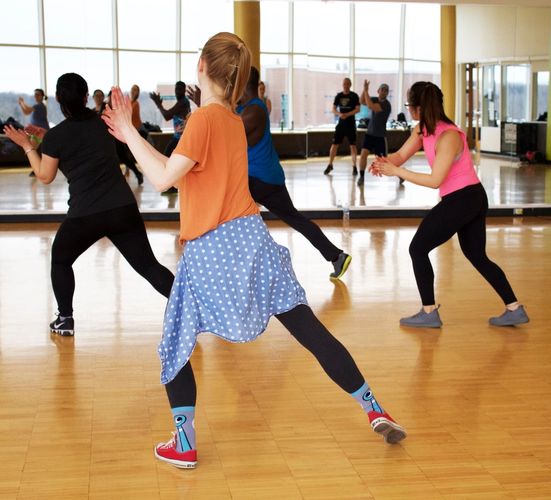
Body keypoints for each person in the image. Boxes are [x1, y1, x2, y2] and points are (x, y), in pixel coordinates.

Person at [103, 32, 406, 470]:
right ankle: (374, 407)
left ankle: (184, 443)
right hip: (252, 238)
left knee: (174, 344)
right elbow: (177, 169)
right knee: (309, 330)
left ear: (202, 66)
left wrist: (130, 131)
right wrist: (133, 134)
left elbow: (163, 179)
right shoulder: (229, 119)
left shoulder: (204, 120)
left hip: (211, 247)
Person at [3, 73, 174, 336]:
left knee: (60, 259)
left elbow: (45, 176)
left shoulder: (57, 137)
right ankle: (188, 309)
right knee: (148, 266)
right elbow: (84, 138)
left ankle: (65, 319)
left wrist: (28, 145)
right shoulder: (103, 122)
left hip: (86, 214)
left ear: (58, 99)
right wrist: (46, 138)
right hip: (122, 208)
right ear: (86, 97)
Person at [369, 81, 530, 328]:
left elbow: (435, 181)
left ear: (419, 107)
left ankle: (429, 311)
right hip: (465, 198)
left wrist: (397, 171)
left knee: (418, 248)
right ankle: (514, 308)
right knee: (477, 255)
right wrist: (383, 163)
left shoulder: (449, 136)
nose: (409, 109)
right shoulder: (422, 130)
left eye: (410, 105)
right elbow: (400, 155)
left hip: (464, 199)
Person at [237, 66, 352, 279]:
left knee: (230, 217)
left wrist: (205, 106)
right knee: (293, 219)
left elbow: (226, 132)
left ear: (243, 84)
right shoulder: (245, 107)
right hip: (264, 178)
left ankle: (255, 270)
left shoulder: (254, 110)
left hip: (259, 180)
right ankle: (337, 256)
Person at [357, 81, 391, 187]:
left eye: (386, 90)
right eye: (382, 89)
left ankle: (400, 175)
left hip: (380, 137)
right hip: (370, 135)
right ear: (378, 91)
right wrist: (364, 89)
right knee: (363, 155)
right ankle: (361, 177)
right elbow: (362, 101)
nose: (384, 92)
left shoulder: (386, 105)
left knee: (384, 163)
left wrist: (366, 91)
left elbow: (371, 106)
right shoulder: (375, 99)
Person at [323, 78, 360, 176]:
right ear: (342, 85)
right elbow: (333, 109)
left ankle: (354, 166)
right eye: (344, 84)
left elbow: (357, 109)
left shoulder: (354, 96)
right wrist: (340, 114)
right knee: (335, 144)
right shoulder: (339, 96)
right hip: (341, 124)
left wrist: (347, 114)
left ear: (350, 85)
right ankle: (330, 164)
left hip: (351, 124)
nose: (346, 85)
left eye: (347, 84)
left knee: (353, 145)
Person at [107, 90, 144, 185]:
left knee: (123, 158)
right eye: (111, 98)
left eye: (114, 98)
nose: (113, 100)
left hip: (118, 138)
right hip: (108, 139)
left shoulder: (118, 109)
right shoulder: (104, 108)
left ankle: (137, 173)